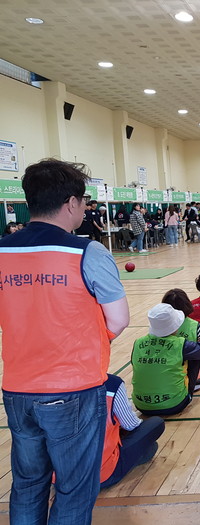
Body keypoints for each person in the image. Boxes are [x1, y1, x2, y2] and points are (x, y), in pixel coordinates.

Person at [0, 159, 129, 523]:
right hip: (74, 387)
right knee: (74, 489)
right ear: (71, 202)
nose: (85, 209)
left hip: (18, 388)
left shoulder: (3, 251)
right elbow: (119, 319)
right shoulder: (87, 252)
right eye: (84, 202)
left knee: (27, 485)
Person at [131, 303, 200, 415]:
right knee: (195, 355)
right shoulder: (180, 344)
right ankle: (190, 387)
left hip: (141, 406)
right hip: (175, 404)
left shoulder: (138, 343)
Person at [100, 373, 165, 489]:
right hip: (102, 475)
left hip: (65, 479)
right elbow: (131, 425)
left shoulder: (62, 384)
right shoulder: (111, 383)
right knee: (156, 424)